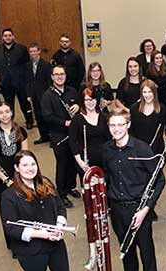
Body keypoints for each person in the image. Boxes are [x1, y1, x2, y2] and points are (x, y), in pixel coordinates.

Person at [0, 150, 85, 271]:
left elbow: (60, 207)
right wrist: (41, 234)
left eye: (33, 164)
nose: (30, 168)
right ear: (16, 168)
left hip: (55, 240)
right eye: (24, 165)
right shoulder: (9, 195)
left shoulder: (45, 183)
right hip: (30, 249)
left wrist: (59, 226)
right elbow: (10, 228)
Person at [102, 109, 165, 271]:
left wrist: (146, 208)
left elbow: (159, 180)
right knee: (125, 250)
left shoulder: (142, 148)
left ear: (128, 125)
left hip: (139, 210)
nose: (116, 129)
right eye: (112, 125)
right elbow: (107, 178)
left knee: (146, 253)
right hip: (117, 209)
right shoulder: (107, 149)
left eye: (120, 125)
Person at [41, 65, 80, 208]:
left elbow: (80, 106)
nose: (59, 77)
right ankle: (61, 194)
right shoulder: (47, 95)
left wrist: (78, 106)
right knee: (63, 164)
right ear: (52, 77)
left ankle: (71, 187)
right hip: (58, 134)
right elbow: (47, 116)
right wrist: (65, 122)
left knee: (73, 162)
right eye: (56, 74)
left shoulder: (72, 91)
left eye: (62, 74)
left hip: (73, 133)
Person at [0, 102, 28, 201]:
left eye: (7, 112)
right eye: (1, 113)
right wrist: (5, 179)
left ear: (12, 113)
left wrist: (22, 176)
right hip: (1, 177)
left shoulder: (21, 131)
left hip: (19, 174)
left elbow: (25, 156)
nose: (4, 115)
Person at [69, 87, 111, 181]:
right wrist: (81, 163)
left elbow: (110, 140)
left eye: (92, 99)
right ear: (82, 101)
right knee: (88, 191)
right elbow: (72, 142)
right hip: (85, 162)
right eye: (87, 100)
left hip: (104, 159)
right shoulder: (77, 119)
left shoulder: (104, 117)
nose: (90, 102)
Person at [0, 28, 32, 127]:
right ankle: (10, 121)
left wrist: (27, 81)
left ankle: (29, 120)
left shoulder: (22, 48)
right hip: (6, 83)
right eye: (5, 36)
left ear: (13, 36)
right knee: (9, 104)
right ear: (2, 38)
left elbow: (27, 65)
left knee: (24, 103)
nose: (8, 37)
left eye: (9, 35)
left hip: (20, 82)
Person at [129, 79, 166, 156]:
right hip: (138, 150)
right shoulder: (134, 108)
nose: (147, 95)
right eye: (144, 92)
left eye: (150, 92)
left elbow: (162, 131)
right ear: (141, 93)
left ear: (154, 92)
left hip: (156, 150)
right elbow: (132, 131)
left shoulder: (162, 109)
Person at [26, 43, 53, 144]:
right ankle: (43, 136)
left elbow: (49, 81)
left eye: (34, 51)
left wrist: (49, 94)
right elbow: (27, 81)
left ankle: (51, 137)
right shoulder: (28, 65)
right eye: (31, 51)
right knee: (38, 115)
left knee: (47, 116)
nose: (33, 53)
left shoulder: (46, 65)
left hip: (44, 94)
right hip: (34, 95)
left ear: (39, 51)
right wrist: (28, 94)